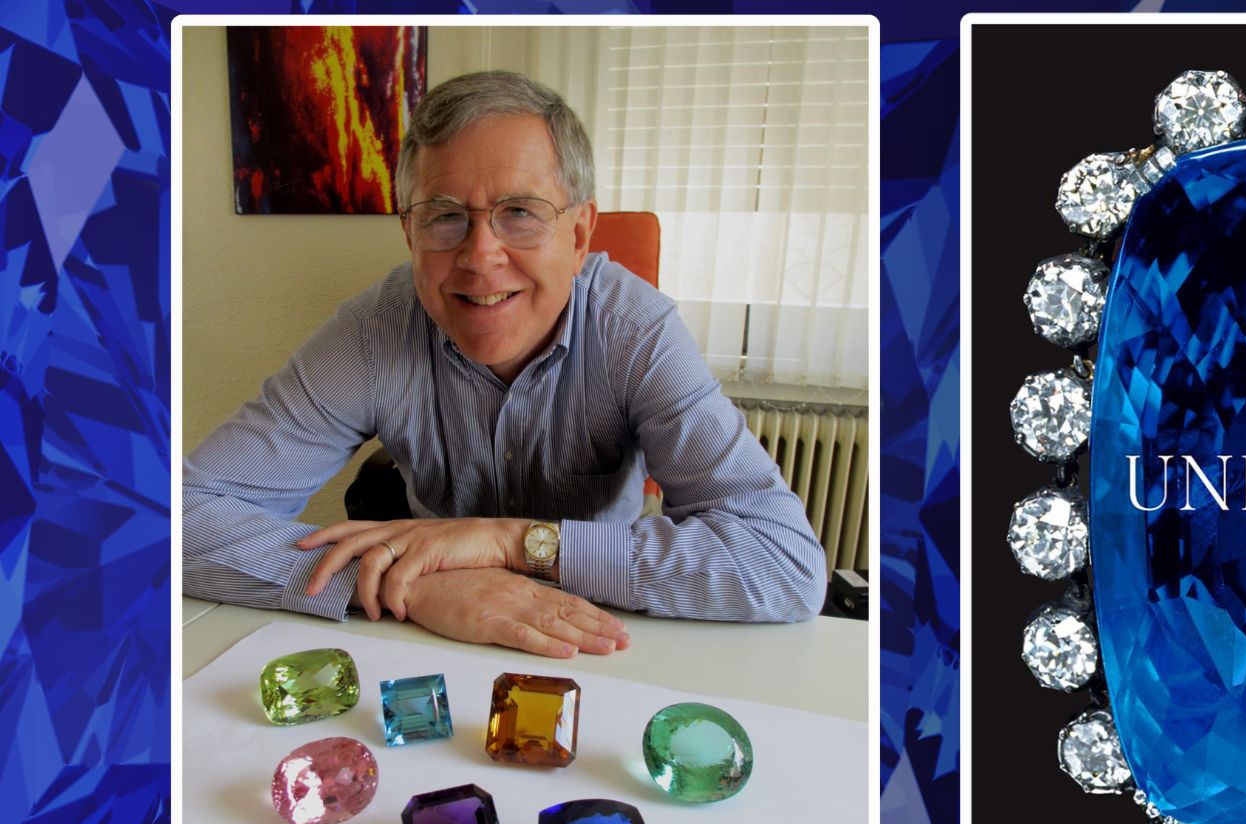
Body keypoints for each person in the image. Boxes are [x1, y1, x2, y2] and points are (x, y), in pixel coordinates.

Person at [183, 71, 828, 659]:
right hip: (432, 633)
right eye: (445, 217)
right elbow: (176, 515)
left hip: (599, 633)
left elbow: (785, 564)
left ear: (578, 236)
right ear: (410, 234)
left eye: (519, 213)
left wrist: (510, 542)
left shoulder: (636, 330)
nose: (480, 256)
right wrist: (408, 583)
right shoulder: (371, 335)